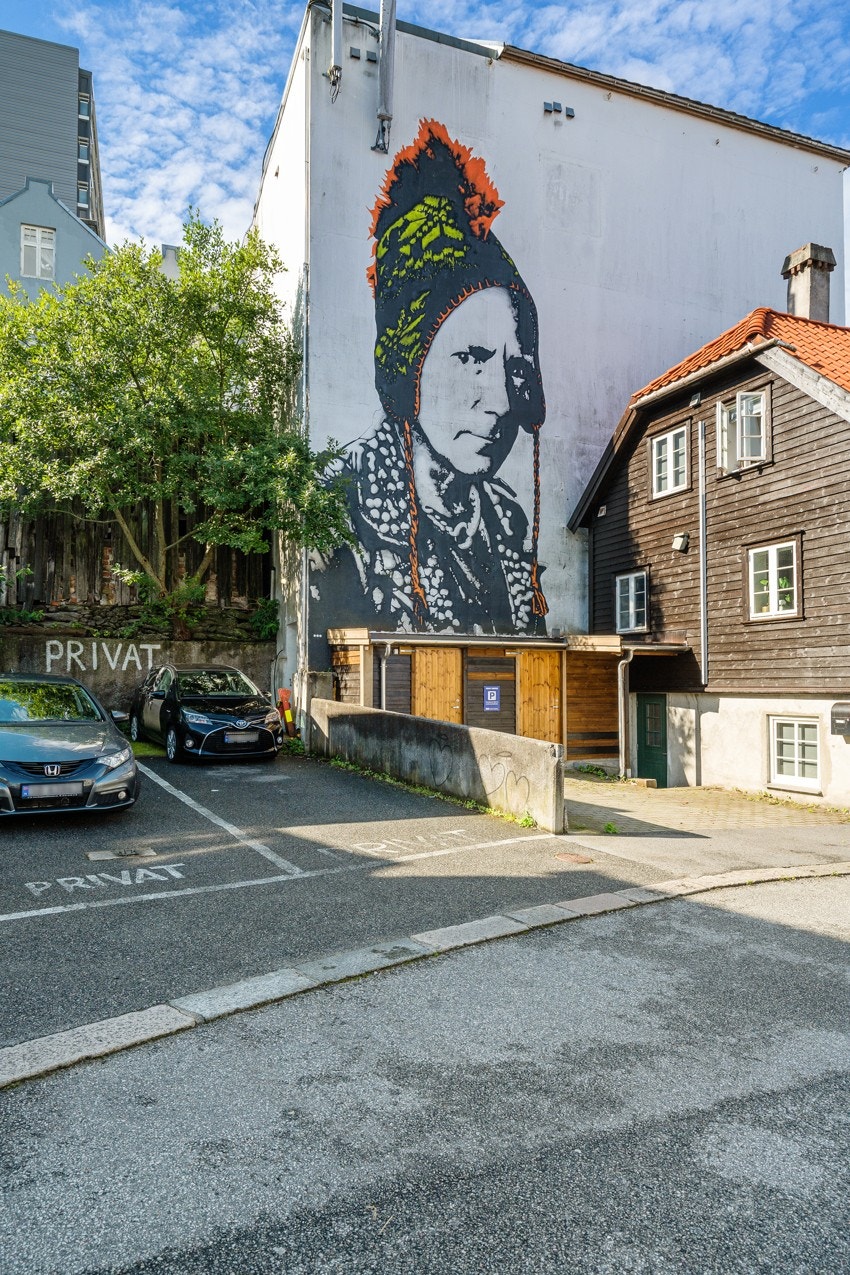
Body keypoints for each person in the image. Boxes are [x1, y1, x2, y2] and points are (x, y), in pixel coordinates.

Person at [314, 120, 548, 635]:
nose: (501, 401)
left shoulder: (506, 521)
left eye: (514, 370)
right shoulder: (339, 508)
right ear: (405, 369)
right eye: (471, 358)